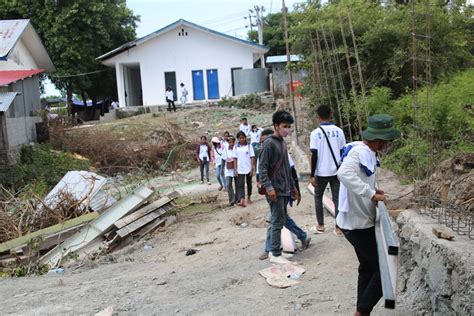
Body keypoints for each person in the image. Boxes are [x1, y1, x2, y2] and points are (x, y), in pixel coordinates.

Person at [336, 114, 400, 316]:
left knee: (367, 267)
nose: (388, 145)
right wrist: (370, 194)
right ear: (379, 139)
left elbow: (365, 178)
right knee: (384, 273)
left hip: (354, 221)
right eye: (387, 141)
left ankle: (361, 310)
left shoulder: (366, 151)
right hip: (357, 224)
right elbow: (344, 174)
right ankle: (361, 312)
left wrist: (374, 191)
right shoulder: (360, 152)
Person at [257, 129, 311, 260]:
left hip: (280, 190)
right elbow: (261, 172)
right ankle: (302, 236)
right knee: (281, 218)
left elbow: (290, 170)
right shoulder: (264, 152)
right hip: (272, 191)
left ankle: (271, 250)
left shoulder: (279, 149)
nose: (264, 144)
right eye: (262, 142)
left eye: (266, 141)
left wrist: (294, 188)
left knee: (274, 219)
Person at [258, 110, 299, 264]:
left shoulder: (282, 142)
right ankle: (275, 253)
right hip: (274, 189)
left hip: (284, 188)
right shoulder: (269, 143)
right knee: (276, 221)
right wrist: (269, 188)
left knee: (280, 220)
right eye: (284, 126)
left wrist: (293, 186)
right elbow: (262, 168)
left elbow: (287, 168)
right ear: (276, 126)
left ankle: (276, 250)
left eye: (289, 126)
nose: (287, 129)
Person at [310, 105, 346, 236]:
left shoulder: (315, 134)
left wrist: (312, 174)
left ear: (318, 116)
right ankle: (338, 227)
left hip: (321, 172)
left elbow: (314, 155)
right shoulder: (339, 131)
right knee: (337, 199)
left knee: (318, 197)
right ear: (331, 114)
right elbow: (343, 152)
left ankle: (320, 225)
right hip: (337, 171)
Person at [233, 131, 255, 207]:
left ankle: (249, 197)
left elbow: (252, 157)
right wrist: (235, 169)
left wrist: (252, 168)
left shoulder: (249, 146)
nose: (241, 139)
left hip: (248, 167)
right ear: (238, 139)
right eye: (240, 138)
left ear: (245, 138)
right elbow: (235, 158)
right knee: (240, 184)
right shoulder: (235, 147)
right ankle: (242, 199)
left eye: (242, 137)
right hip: (240, 168)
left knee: (249, 183)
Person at [222, 136, 237, 206]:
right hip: (228, 169)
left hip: (236, 169)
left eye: (232, 142)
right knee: (228, 185)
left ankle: (237, 198)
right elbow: (223, 159)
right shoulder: (225, 149)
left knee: (237, 184)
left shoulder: (237, 148)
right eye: (230, 142)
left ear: (234, 142)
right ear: (228, 142)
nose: (231, 143)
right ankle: (231, 200)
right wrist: (222, 169)